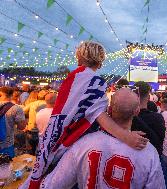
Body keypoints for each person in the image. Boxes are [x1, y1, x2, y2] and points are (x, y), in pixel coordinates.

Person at [22, 41, 148, 189]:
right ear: (100, 61)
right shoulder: (95, 82)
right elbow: (100, 116)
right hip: (72, 144)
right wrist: (127, 137)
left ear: (79, 57)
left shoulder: (71, 78)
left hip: (53, 140)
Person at [40, 88, 165, 189]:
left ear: (109, 110)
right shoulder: (148, 151)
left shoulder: (84, 144)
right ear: (137, 111)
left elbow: (52, 184)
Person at [132, 81, 165, 155]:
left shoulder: (127, 118)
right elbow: (162, 141)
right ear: (148, 97)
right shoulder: (157, 118)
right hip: (152, 159)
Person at [0, 87, 26, 158]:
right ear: (12, 95)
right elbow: (21, 127)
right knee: (5, 167)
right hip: (6, 144)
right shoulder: (16, 108)